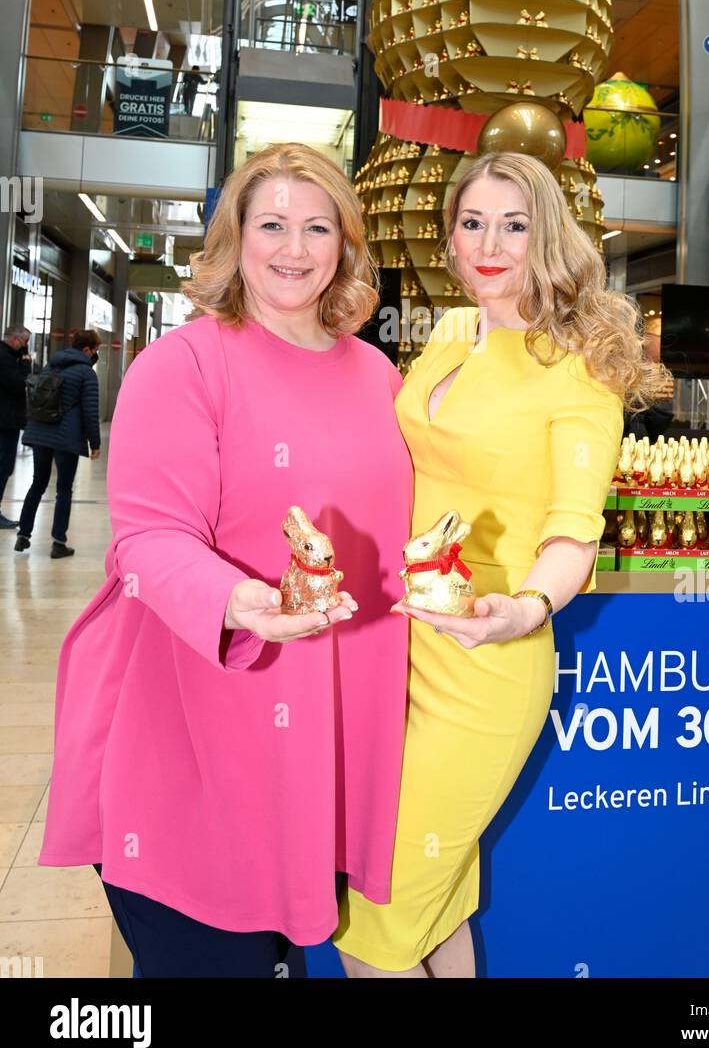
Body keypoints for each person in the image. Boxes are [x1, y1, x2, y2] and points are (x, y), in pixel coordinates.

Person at [38, 142, 413, 978]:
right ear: (235, 238)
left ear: (346, 246)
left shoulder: (379, 376)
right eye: (271, 223)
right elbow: (147, 537)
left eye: (318, 227)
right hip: (193, 728)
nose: (295, 248)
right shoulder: (184, 364)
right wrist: (239, 601)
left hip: (322, 734)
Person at [333, 150, 668, 977]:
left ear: (546, 235)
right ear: (450, 238)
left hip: (488, 663)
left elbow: (572, 530)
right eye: (472, 223)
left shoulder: (579, 366)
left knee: (376, 919)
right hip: (400, 643)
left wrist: (525, 608)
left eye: (513, 225)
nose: (490, 243)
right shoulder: (450, 332)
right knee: (436, 899)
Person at [14, 329, 101, 557]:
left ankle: (23, 535)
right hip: (66, 437)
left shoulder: (49, 365)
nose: (95, 355)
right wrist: (96, 442)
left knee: (38, 483)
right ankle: (58, 542)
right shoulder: (86, 373)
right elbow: (90, 411)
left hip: (40, 432)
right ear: (86, 349)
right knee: (63, 489)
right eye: (95, 350)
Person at [0, 323, 32, 529]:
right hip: (5, 422)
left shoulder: (9, 357)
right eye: (24, 342)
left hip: (7, 420)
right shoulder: (5, 359)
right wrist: (26, 364)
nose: (25, 347)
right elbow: (20, 384)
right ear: (14, 339)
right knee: (3, 466)